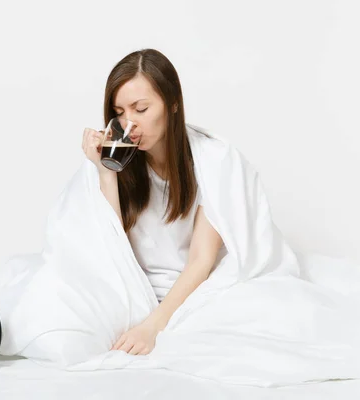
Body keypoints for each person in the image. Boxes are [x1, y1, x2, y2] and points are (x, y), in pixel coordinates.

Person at [81, 48, 227, 356]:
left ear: (173, 104)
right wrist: (107, 171)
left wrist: (153, 326)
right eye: (119, 113)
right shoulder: (118, 156)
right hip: (133, 286)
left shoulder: (212, 161)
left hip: (191, 291)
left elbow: (202, 260)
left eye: (141, 109)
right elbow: (109, 249)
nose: (128, 125)